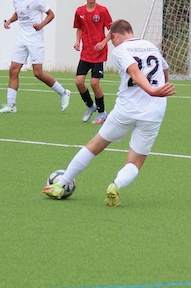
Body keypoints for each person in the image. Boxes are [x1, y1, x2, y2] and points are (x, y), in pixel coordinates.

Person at [43, 19, 175, 206]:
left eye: (111, 40)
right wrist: (157, 89)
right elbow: (164, 70)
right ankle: (115, 185)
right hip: (154, 110)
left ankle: (61, 184)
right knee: (135, 161)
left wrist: (151, 90)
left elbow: (134, 72)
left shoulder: (120, 50)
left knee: (94, 146)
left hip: (127, 109)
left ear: (115, 36)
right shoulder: (150, 46)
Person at [0, 0, 71, 114]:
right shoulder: (16, 0)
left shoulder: (37, 0)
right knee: (13, 69)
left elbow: (51, 14)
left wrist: (41, 25)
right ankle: (11, 105)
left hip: (35, 40)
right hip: (21, 39)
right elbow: (18, 13)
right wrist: (9, 21)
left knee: (38, 73)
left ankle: (63, 92)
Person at [72, 0, 112, 123]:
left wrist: (103, 42)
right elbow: (79, 28)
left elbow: (112, 29)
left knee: (94, 83)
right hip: (86, 53)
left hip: (99, 54)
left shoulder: (102, 11)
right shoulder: (79, 11)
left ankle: (102, 113)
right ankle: (90, 106)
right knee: (79, 82)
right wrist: (77, 41)